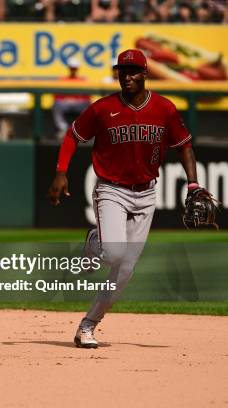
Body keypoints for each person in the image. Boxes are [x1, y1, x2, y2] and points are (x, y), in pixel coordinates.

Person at [47, 49, 210, 348]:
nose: (128, 76)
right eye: (123, 70)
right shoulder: (102, 108)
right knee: (113, 253)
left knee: (125, 270)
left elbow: (184, 146)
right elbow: (72, 136)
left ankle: (88, 325)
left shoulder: (164, 108)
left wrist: (193, 184)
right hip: (111, 189)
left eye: (134, 70)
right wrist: (61, 172)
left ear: (145, 74)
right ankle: (95, 240)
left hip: (147, 193)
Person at [51, 57, 91, 140]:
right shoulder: (63, 80)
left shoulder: (82, 80)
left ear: (77, 69)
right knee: (56, 104)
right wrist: (67, 99)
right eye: (72, 68)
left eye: (75, 68)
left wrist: (77, 100)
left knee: (88, 105)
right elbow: (56, 96)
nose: (73, 70)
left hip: (79, 104)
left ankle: (83, 130)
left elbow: (87, 97)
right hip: (65, 104)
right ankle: (63, 129)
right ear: (69, 68)